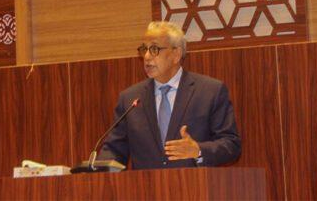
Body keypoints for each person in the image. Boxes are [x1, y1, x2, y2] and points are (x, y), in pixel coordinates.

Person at [98, 21, 241, 169]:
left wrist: (198, 151)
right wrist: (95, 170)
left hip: (194, 183)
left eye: (154, 49)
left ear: (176, 54)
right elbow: (113, 151)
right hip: (146, 184)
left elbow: (231, 145)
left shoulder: (210, 92)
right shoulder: (130, 99)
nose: (146, 56)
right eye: (144, 49)